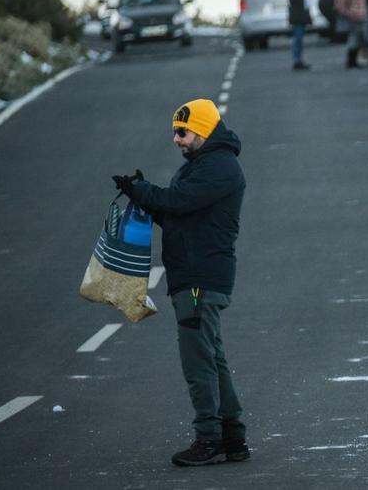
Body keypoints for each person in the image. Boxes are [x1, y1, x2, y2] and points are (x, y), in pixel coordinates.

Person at [112, 99, 248, 468]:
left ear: (202, 130)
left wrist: (144, 191)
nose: (176, 139)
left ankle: (209, 439)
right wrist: (142, 196)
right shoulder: (204, 165)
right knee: (212, 358)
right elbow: (177, 214)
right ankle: (232, 436)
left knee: (198, 363)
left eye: (183, 132)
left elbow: (179, 201)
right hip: (195, 275)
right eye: (175, 132)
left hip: (199, 279)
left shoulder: (218, 167)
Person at [335, 0, 368, 68]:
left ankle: (354, 60)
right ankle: (351, 61)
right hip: (353, 14)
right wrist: (348, 12)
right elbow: (342, 0)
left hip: (360, 13)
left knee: (359, 37)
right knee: (354, 38)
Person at [286, 0, 312, 70]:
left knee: (299, 39)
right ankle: (297, 60)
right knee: (298, 39)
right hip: (297, 17)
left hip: (298, 16)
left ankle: (299, 59)